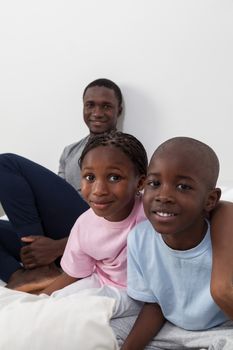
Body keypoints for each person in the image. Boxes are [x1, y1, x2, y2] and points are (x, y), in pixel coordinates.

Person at [0, 78, 123, 292]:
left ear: (118, 111)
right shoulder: (70, 151)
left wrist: (57, 248)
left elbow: (122, 220)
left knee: (5, 163)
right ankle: (22, 275)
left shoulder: (125, 151)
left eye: (106, 106)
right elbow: (55, 204)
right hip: (65, 231)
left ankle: (43, 266)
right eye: (90, 105)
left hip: (91, 228)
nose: (97, 112)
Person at [118, 137, 233, 350]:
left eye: (183, 186)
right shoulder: (139, 239)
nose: (164, 195)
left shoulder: (224, 240)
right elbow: (154, 305)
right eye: (155, 183)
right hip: (171, 329)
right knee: (107, 328)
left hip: (220, 329)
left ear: (210, 200)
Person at [41, 131, 147, 318]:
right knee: (52, 303)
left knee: (82, 309)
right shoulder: (84, 224)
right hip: (100, 281)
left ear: (140, 183)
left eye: (114, 177)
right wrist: (39, 300)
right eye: (90, 178)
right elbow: (73, 275)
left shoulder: (151, 215)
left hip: (134, 294)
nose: (98, 190)